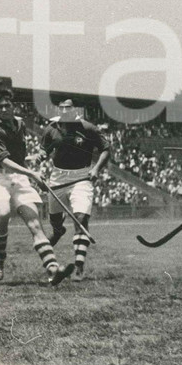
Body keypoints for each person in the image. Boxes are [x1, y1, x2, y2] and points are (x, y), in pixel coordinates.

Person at [0, 90, 75, 286]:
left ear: (13, 105)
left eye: (7, 105)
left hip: (20, 178)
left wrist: (32, 173)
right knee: (4, 212)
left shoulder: (20, 124)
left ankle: (53, 270)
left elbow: (18, 158)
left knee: (35, 224)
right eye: (0, 107)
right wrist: (32, 174)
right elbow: (4, 161)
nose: (4, 109)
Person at [39, 98, 110, 282]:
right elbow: (44, 151)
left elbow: (105, 149)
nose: (64, 110)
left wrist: (95, 169)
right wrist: (40, 160)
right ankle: (58, 231)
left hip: (81, 178)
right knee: (55, 223)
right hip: (57, 178)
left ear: (74, 110)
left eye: (68, 108)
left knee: (81, 219)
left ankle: (79, 266)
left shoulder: (88, 128)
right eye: (61, 107)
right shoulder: (51, 129)